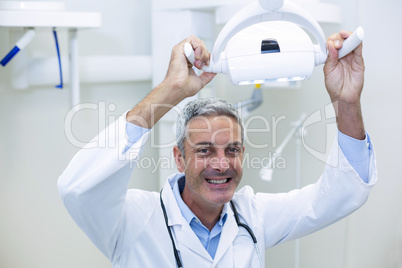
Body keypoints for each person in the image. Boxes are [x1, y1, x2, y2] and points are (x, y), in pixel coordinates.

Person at [58, 31, 377, 267]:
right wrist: (171, 90)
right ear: (179, 158)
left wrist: (346, 101)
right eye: (205, 150)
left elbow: (342, 193)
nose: (222, 164)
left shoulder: (254, 215)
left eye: (233, 149)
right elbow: (78, 190)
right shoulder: (133, 220)